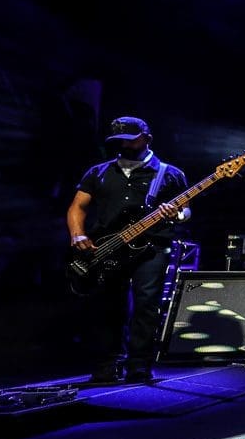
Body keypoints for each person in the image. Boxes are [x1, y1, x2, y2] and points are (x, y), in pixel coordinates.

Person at [66, 116, 189, 383]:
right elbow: (78, 206)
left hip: (152, 247)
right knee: (109, 305)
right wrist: (77, 234)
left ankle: (139, 366)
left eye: (130, 140)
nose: (124, 145)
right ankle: (107, 365)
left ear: (147, 138)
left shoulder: (170, 173)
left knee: (146, 305)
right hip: (108, 248)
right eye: (119, 140)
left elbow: (186, 211)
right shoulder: (98, 172)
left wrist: (176, 214)